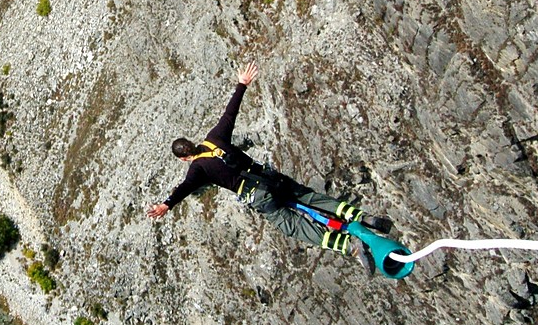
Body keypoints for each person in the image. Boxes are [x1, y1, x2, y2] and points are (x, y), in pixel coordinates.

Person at [147, 62, 393, 275]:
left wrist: (166, 205)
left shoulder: (197, 170)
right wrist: (242, 84)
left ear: (184, 158)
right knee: (308, 197)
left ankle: (348, 246)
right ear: (192, 143)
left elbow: (185, 188)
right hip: (269, 177)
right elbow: (229, 114)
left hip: (258, 196)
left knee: (294, 226)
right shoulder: (216, 137)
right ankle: (359, 216)